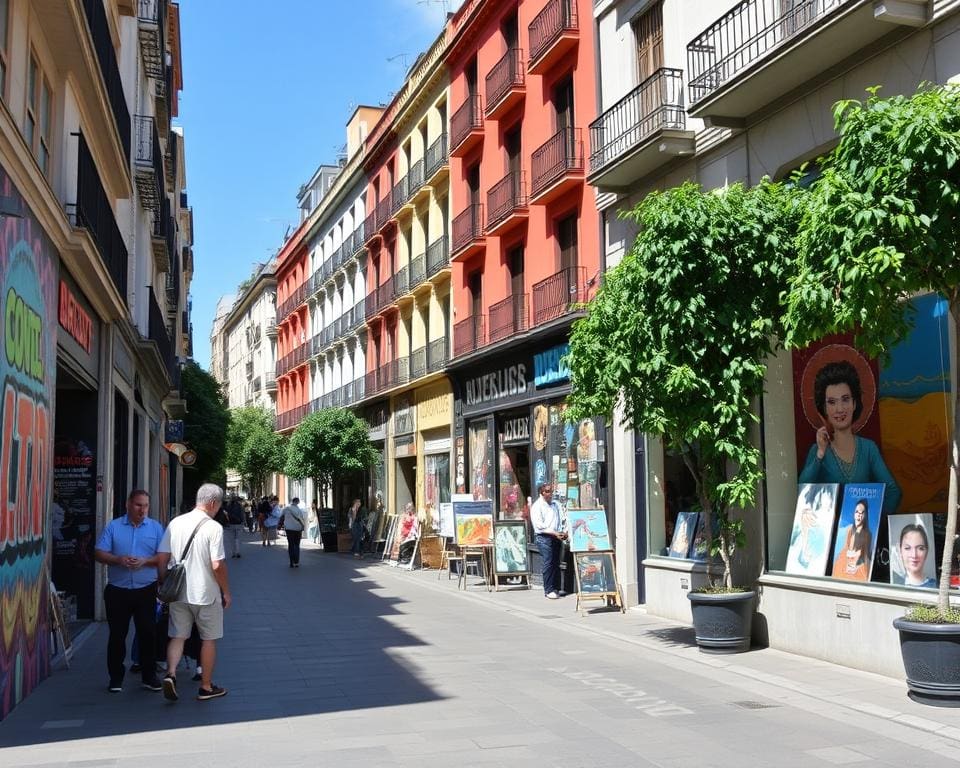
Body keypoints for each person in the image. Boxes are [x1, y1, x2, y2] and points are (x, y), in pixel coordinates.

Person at [158, 483, 232, 702]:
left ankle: (171, 673)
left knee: (178, 635)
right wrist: (226, 591)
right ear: (212, 503)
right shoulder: (213, 528)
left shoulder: (175, 523)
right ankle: (206, 687)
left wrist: (164, 583)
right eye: (218, 505)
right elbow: (217, 565)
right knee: (208, 639)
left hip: (178, 592)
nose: (218, 509)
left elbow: (162, 557)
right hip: (205, 594)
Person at [799, 360, 901, 513]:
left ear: (854, 403)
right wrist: (820, 453)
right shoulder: (819, 450)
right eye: (832, 402)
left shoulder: (868, 449)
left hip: (863, 533)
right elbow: (803, 490)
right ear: (825, 408)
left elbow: (893, 491)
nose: (840, 409)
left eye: (845, 399)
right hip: (830, 535)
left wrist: (874, 521)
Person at [93, 489, 165, 693]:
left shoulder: (156, 528)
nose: (142, 510)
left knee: (147, 633)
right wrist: (118, 560)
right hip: (118, 590)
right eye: (138, 505)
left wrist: (146, 561)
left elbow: (163, 557)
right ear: (128, 504)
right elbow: (99, 553)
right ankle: (115, 678)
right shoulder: (114, 527)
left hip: (145, 590)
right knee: (117, 635)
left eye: (145, 506)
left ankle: (149, 676)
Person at [530, 482, 567, 599]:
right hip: (544, 537)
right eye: (548, 491)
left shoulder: (555, 504)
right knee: (548, 562)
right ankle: (548, 589)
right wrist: (554, 532)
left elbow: (562, 518)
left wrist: (563, 531)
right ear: (542, 493)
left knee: (556, 562)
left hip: (556, 536)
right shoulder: (537, 506)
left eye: (551, 491)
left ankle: (556, 588)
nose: (550, 493)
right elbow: (539, 525)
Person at [832, 499, 873, 581]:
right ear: (854, 513)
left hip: (856, 571)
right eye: (857, 512)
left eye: (862, 513)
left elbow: (866, 557)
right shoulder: (849, 529)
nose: (859, 515)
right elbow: (844, 549)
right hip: (842, 567)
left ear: (865, 516)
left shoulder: (867, 534)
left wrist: (856, 566)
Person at [893, 523, 937, 588]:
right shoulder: (893, 585)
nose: (914, 555)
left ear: (926, 551)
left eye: (920, 548)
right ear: (900, 551)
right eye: (907, 548)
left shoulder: (936, 586)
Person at [282, 497, 306, 567]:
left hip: (289, 529)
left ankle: (291, 562)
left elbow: (281, 515)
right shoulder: (299, 509)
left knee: (291, 545)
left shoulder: (286, 508)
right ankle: (296, 562)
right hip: (297, 529)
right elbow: (302, 519)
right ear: (297, 502)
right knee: (297, 545)